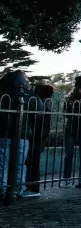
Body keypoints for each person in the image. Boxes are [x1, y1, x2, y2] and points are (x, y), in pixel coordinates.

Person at [0, 71, 35, 199]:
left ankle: (2, 189)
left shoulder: (3, 93)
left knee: (2, 162)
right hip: (22, 134)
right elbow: (39, 107)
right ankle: (19, 188)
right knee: (19, 163)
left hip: (3, 132)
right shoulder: (27, 95)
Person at [23, 83, 53, 196]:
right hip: (39, 137)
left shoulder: (41, 102)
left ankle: (32, 187)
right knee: (33, 162)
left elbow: (41, 123)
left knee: (32, 162)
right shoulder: (46, 102)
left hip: (36, 137)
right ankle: (32, 186)